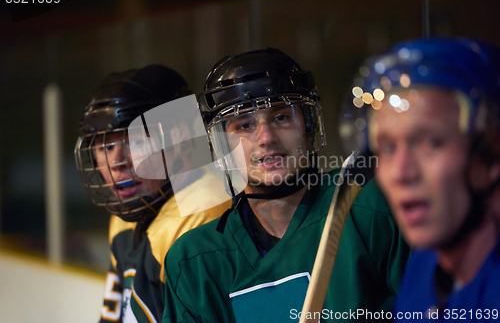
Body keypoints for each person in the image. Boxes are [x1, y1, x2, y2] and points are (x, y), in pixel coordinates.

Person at [162, 48, 410, 323]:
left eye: (281, 117)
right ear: (220, 145)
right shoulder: (195, 261)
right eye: (244, 125)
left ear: (308, 125)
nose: (266, 138)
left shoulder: (367, 206)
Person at [343, 37, 500, 321]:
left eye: (431, 142)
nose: (401, 172)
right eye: (388, 148)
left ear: (491, 151)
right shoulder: (425, 266)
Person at [74, 64, 231, 323]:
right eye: (106, 146)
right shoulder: (126, 218)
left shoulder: (202, 211)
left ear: (180, 141)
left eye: (135, 141)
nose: (116, 162)